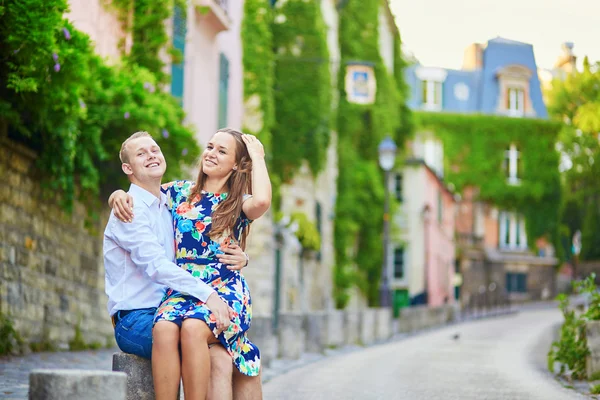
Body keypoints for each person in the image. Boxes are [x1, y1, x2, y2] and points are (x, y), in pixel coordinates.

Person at [111, 128, 271, 400]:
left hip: (223, 288)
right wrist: (116, 194)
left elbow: (263, 200)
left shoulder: (237, 204)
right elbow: (141, 189)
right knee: (162, 327)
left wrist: (256, 156)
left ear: (236, 164)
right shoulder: (179, 192)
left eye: (222, 151)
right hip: (183, 289)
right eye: (210, 147)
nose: (211, 154)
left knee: (194, 328)